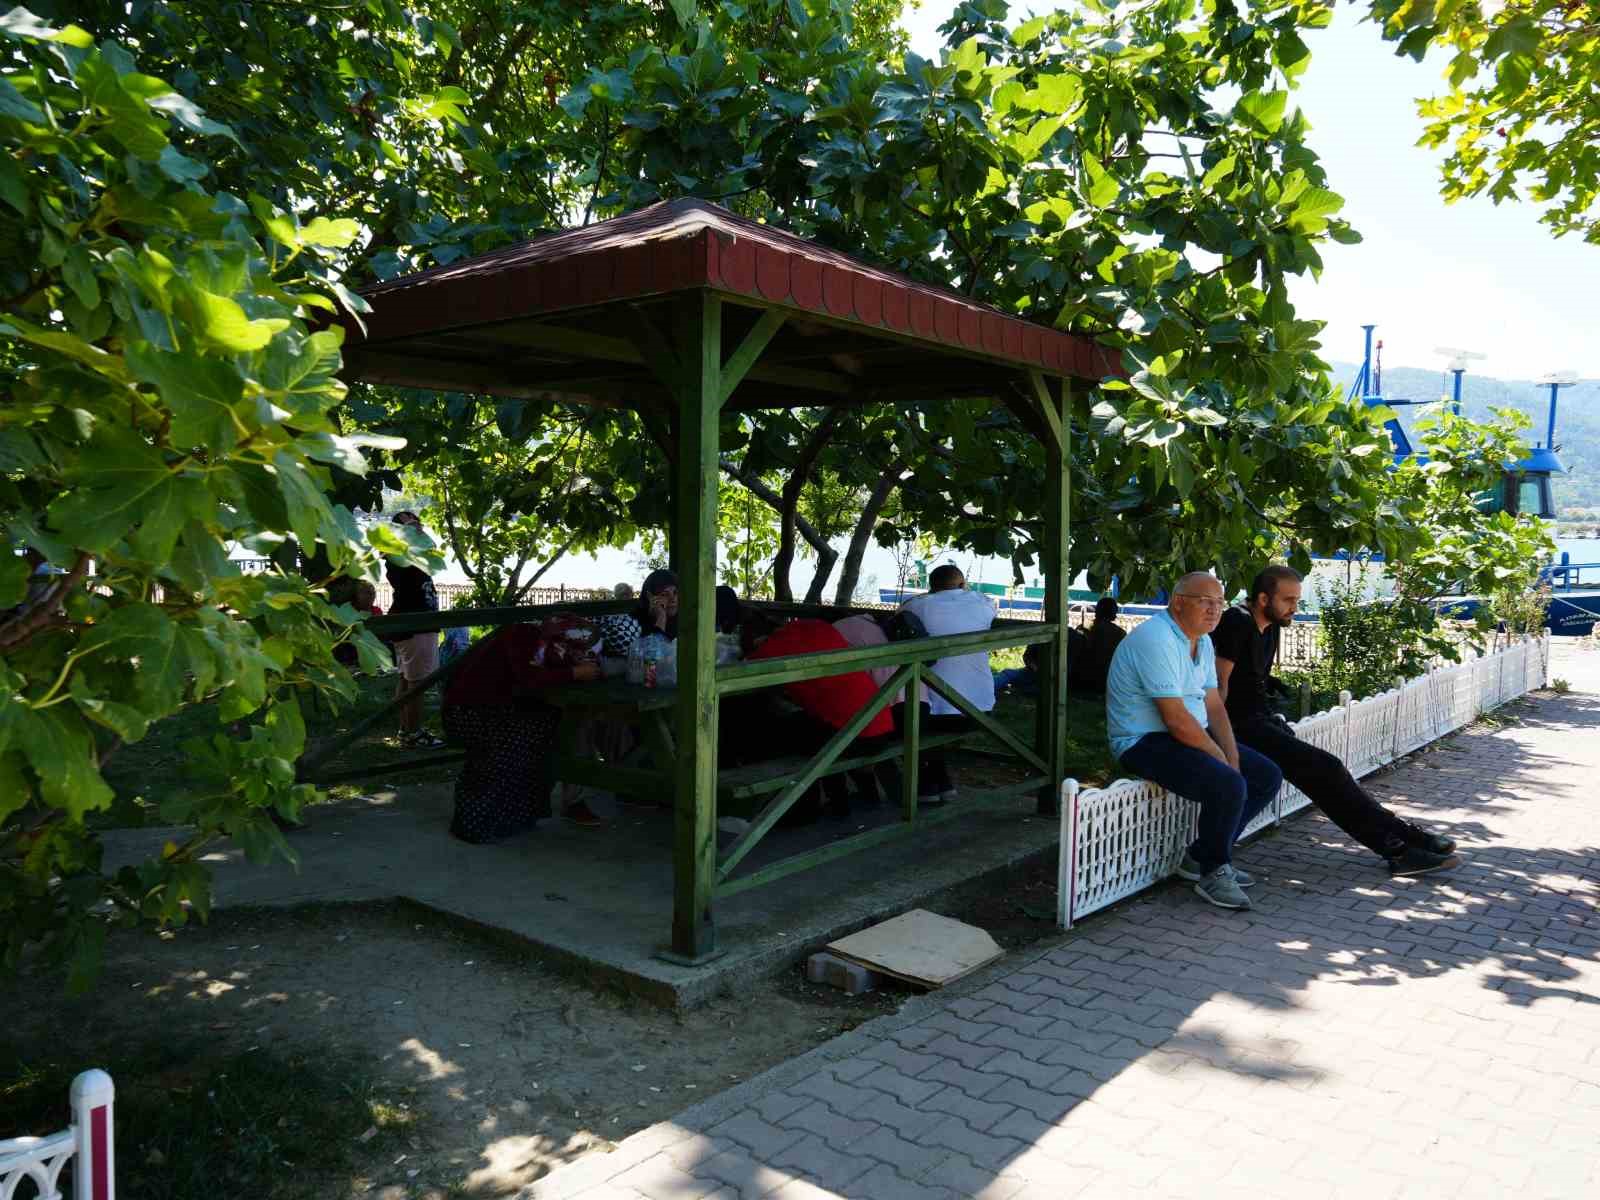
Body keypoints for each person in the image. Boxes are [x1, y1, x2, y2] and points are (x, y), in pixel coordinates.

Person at [1213, 565, 1459, 876]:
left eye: (1297, 600)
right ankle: (1402, 842)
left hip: (1260, 723)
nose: (1295, 608)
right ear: (1263, 599)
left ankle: (1400, 845)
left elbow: (1252, 680)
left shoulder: (1272, 625)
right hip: (1237, 728)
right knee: (1326, 769)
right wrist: (1216, 738)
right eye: (1288, 600)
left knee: (1327, 778)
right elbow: (1217, 688)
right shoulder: (1236, 622)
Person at [1106, 571, 1282, 910]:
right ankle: (1213, 872)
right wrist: (1221, 759)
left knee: (1265, 776)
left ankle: (1201, 857)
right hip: (1141, 740)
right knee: (1228, 784)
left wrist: (1230, 755)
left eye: (1220, 602)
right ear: (1177, 602)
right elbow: (1175, 718)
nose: (1215, 610)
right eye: (1205, 601)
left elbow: (1214, 704)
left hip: (1184, 734)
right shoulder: (1156, 639)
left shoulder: (1201, 639)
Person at [440, 622, 601, 843]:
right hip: (469, 712)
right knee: (520, 739)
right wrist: (574, 672)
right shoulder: (524, 635)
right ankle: (477, 823)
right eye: (575, 649)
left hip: (494, 709)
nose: (577, 654)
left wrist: (571, 668)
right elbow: (529, 679)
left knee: (551, 724)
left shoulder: (546, 647)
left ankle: (519, 814)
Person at [743, 614, 897, 820]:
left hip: (854, 736)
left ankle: (804, 809)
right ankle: (851, 801)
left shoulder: (769, 650)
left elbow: (742, 671)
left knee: (787, 737)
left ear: (757, 640)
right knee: (821, 728)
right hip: (881, 726)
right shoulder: (818, 626)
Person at [899, 565, 996, 800]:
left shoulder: (917, 606)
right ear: (963, 585)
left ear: (931, 587)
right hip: (982, 709)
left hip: (935, 713)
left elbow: (900, 615)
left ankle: (928, 787)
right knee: (921, 718)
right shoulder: (983, 604)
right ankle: (939, 785)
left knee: (905, 714)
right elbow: (988, 605)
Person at [385, 511, 445, 749]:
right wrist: (411, 534)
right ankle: (414, 733)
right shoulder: (398, 556)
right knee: (417, 683)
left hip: (416, 624)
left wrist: (417, 533)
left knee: (407, 679)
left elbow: (432, 548)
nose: (416, 523)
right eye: (407, 521)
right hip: (415, 625)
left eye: (416, 518)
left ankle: (406, 730)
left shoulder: (416, 554)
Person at [1078, 597, 1126, 693]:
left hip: (1083, 678)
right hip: (1106, 680)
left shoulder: (1083, 628)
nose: (1116, 612)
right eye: (1115, 610)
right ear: (1110, 611)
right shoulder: (1119, 633)